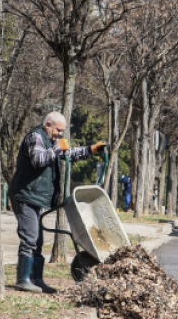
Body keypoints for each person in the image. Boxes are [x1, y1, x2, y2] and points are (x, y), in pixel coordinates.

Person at [8, 112, 106, 293]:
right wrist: (57, 149)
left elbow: (68, 154)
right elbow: (38, 160)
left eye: (62, 131)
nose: (59, 134)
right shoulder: (35, 137)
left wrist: (91, 150)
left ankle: (36, 279)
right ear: (48, 124)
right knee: (30, 237)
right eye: (58, 130)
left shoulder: (51, 141)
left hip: (34, 196)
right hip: (24, 194)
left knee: (37, 240)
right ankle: (23, 280)